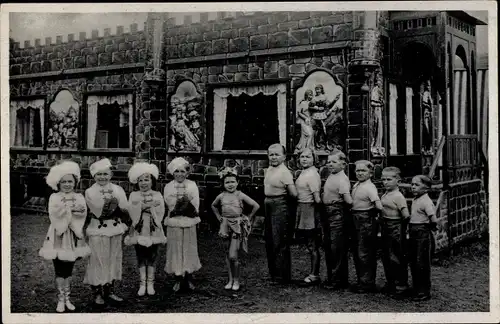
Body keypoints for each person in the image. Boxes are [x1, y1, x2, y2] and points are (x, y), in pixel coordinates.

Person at [39, 161, 91, 312]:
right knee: (59, 267)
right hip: (59, 233)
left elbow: (82, 213)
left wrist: (73, 212)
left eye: (70, 181)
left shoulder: (79, 197)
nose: (67, 185)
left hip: (73, 234)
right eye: (64, 182)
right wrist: (69, 211)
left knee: (69, 266)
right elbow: (54, 214)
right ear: (58, 183)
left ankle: (68, 298)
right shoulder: (54, 197)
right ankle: (60, 299)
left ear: (75, 182)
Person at [83, 158, 130, 305]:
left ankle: (109, 290)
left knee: (112, 259)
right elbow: (98, 211)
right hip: (98, 228)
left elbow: (125, 208)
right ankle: (97, 293)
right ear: (94, 176)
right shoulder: (90, 191)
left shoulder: (118, 189)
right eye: (99, 174)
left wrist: (119, 208)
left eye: (105, 174)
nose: (102, 177)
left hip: (115, 228)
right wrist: (110, 205)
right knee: (98, 259)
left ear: (110, 174)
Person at [211, 167, 260, 291]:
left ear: (237, 182)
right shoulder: (221, 196)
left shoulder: (240, 194)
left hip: (237, 225)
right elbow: (213, 206)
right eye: (227, 182)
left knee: (233, 255)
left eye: (233, 181)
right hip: (225, 224)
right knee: (227, 254)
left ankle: (237, 280)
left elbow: (256, 205)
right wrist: (219, 217)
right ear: (223, 184)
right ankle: (230, 279)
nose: (230, 184)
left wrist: (248, 217)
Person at [124, 162, 166, 296]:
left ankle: (150, 282)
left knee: (152, 255)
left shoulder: (157, 194)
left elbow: (161, 210)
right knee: (141, 254)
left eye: (146, 180)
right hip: (140, 228)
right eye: (140, 180)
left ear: (152, 181)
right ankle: (142, 283)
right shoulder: (134, 195)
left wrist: (151, 208)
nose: (143, 183)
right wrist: (142, 207)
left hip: (153, 228)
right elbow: (132, 209)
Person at [163, 157, 202, 292]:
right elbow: (170, 203)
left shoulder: (192, 185)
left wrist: (188, 205)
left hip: (189, 220)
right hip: (175, 221)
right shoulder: (168, 186)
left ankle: (189, 277)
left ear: (187, 173)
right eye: (177, 171)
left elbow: (195, 203)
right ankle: (178, 278)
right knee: (176, 249)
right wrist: (180, 204)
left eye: (182, 171)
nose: (180, 174)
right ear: (173, 173)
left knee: (188, 248)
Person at [264, 144, 297, 284]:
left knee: (279, 240)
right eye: (271, 154)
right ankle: (274, 273)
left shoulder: (285, 172)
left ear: (284, 157)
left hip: (279, 204)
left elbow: (293, 193)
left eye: (277, 154)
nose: (274, 157)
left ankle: (282, 276)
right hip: (268, 203)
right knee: (270, 240)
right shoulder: (270, 169)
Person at [350, 160, 383, 293]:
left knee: (365, 251)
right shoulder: (357, 185)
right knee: (357, 250)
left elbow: (378, 205)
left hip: (365, 220)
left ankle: (367, 283)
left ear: (370, 173)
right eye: (357, 170)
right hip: (356, 218)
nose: (360, 173)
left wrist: (374, 217)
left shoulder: (370, 187)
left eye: (363, 171)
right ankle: (361, 280)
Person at [321, 150, 352, 290]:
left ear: (343, 164)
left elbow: (348, 200)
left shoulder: (342, 179)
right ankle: (332, 277)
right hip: (328, 212)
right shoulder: (332, 176)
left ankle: (338, 280)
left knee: (336, 246)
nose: (330, 164)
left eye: (334, 162)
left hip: (337, 212)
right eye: (329, 162)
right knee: (329, 245)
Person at [380, 167, 410, 298]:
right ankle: (390, 282)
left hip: (395, 227)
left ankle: (401, 285)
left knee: (396, 256)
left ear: (398, 181)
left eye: (389, 179)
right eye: (383, 179)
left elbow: (406, 215)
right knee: (386, 256)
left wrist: (402, 229)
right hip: (385, 226)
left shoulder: (398, 196)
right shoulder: (385, 194)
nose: (385, 182)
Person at [294, 148, 322, 285]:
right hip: (302, 207)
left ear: (314, 159)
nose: (304, 159)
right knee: (309, 243)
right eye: (302, 157)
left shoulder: (312, 175)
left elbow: (317, 198)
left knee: (312, 244)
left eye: (308, 157)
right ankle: (313, 273)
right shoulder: (304, 173)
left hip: (308, 208)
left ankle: (314, 274)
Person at [409, 175, 439, 301]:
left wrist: (429, 229)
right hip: (414, 231)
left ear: (426, 188)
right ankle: (416, 288)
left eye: (416, 185)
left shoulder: (426, 201)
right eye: (412, 184)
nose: (413, 187)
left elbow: (433, 219)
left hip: (422, 232)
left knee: (422, 262)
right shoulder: (416, 199)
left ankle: (424, 291)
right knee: (414, 261)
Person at [294, 89, 315, 154]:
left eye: (311, 95)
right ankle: (306, 148)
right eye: (309, 95)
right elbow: (299, 113)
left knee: (311, 134)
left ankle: (306, 148)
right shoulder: (303, 103)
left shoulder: (312, 103)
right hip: (304, 121)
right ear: (306, 95)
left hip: (310, 121)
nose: (310, 96)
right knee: (309, 134)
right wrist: (305, 118)